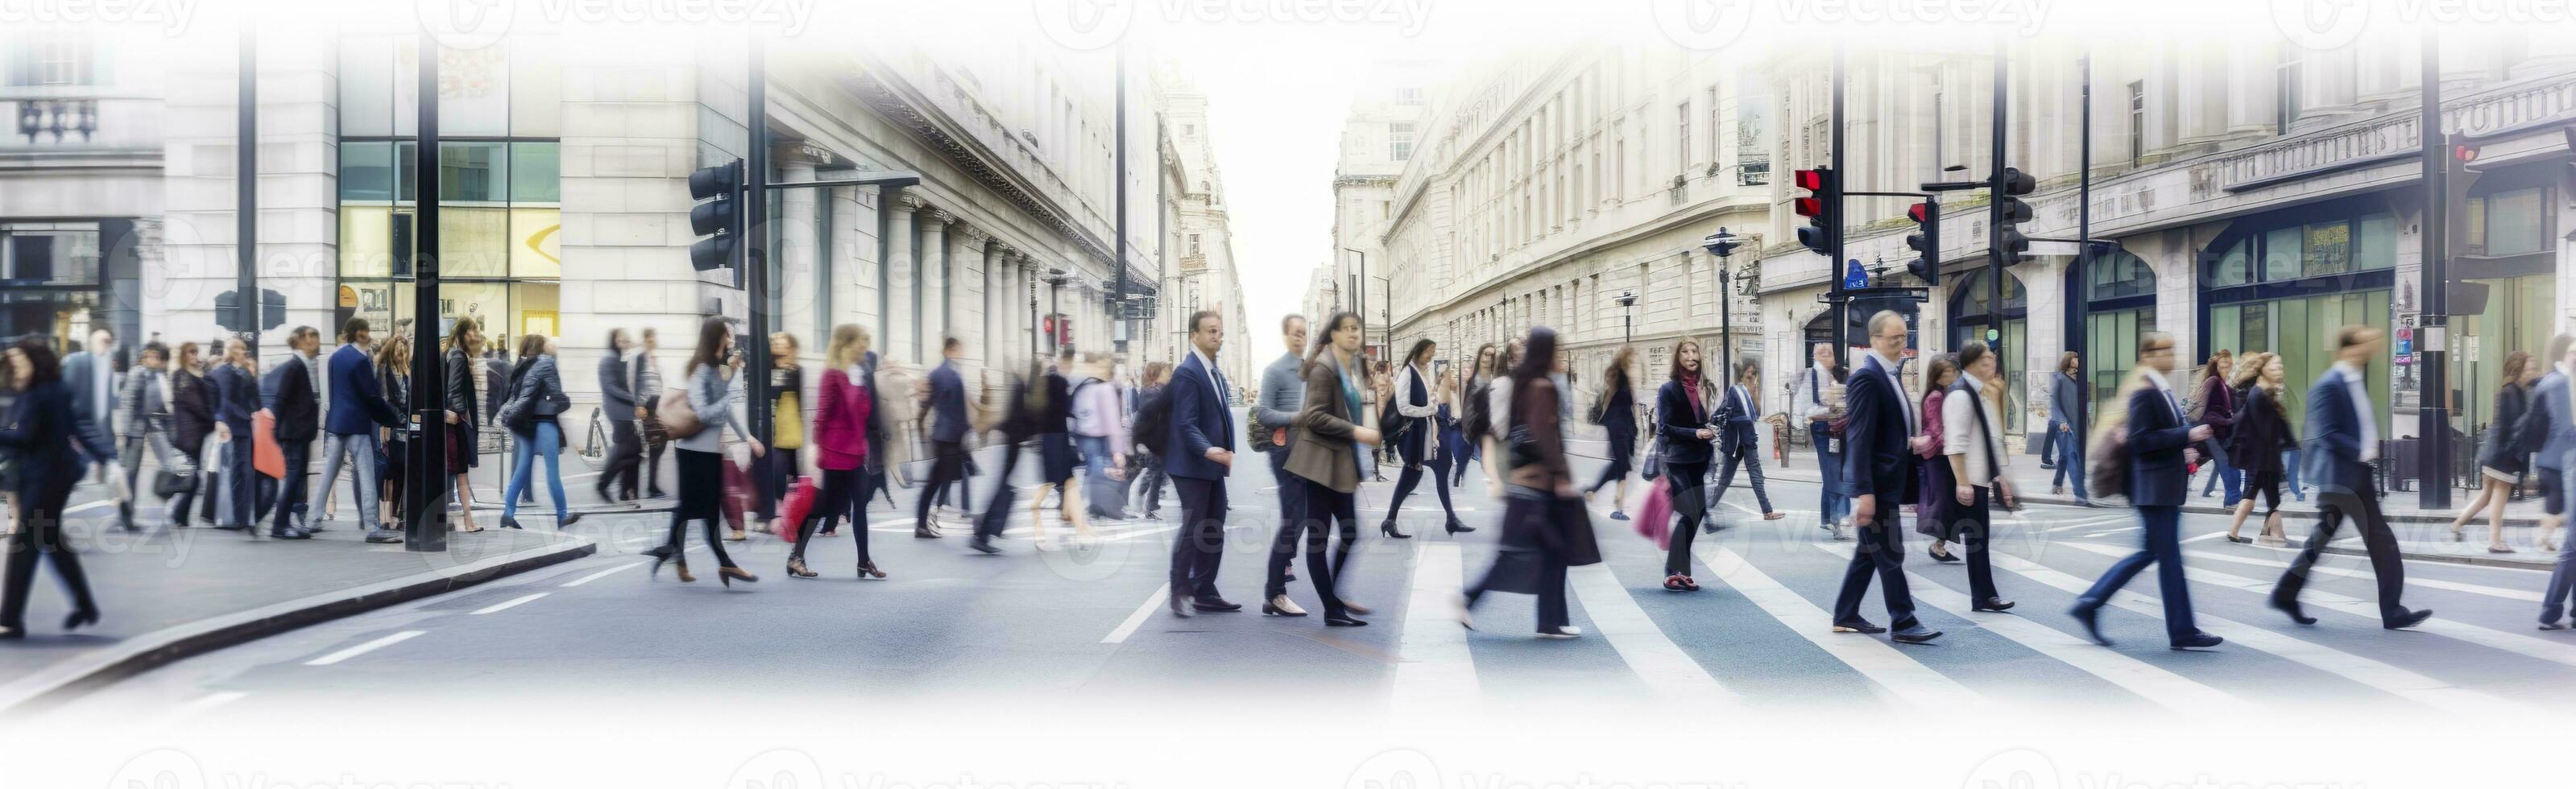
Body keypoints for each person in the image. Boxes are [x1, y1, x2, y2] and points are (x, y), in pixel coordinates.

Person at [2268, 325, 2429, 631]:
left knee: (2323, 539)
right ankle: (2392, 611)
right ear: (2349, 349)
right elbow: (2326, 433)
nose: (2372, 348)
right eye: (2366, 343)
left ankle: (2286, 593)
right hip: (2343, 477)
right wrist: (2361, 450)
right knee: (2382, 541)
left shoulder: (2353, 379)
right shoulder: (2331, 383)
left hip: (2354, 474)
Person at [2070, 332, 2222, 649]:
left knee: (2152, 554)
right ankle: (2182, 630)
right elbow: (2141, 440)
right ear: (2147, 357)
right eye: (2164, 350)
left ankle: (2091, 603)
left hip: (2161, 485)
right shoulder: (2145, 391)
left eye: (2172, 349)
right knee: (2169, 559)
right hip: (2153, 488)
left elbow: (2157, 436)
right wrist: (2187, 434)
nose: (2171, 356)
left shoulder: (2161, 389)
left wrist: (2184, 446)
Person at [1460, 327, 1602, 638]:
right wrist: (1563, 478)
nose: (1560, 357)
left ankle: (1549, 622)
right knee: (1521, 554)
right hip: (1536, 488)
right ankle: (1469, 599)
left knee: (1542, 553)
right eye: (1557, 351)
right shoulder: (1541, 387)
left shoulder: (1525, 385)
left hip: (1527, 484)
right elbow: (1545, 439)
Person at [1831, 312, 1940, 645]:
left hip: (1888, 479)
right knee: (1890, 552)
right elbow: (1860, 438)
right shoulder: (1868, 377)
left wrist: (1908, 442)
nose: (1902, 344)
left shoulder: (1888, 373)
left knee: (1869, 551)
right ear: (1875, 340)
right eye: (1895, 339)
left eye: (1905, 337)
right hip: (1877, 484)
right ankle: (1904, 621)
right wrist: (1864, 492)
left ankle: (1846, 614)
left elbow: (1883, 431)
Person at [0, 337, 114, 638]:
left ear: (36, 362)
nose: (16, 367)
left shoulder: (48, 392)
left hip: (50, 478)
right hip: (37, 476)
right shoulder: (31, 392)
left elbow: (25, 434)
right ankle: (85, 605)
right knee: (52, 543)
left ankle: (10, 620)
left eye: (20, 361)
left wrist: (108, 458)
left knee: (24, 544)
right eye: (12, 362)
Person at [645, 317, 763, 586]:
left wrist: (748, 438)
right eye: (729, 332)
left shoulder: (719, 368)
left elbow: (727, 410)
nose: (733, 336)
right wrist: (727, 384)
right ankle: (721, 563)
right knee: (697, 509)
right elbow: (705, 412)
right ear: (718, 336)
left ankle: (672, 552)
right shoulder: (703, 371)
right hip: (693, 451)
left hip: (708, 452)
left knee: (699, 510)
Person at [1281, 312, 1380, 626]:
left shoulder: (1354, 366)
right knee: (1319, 538)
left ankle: (1334, 599)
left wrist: (1373, 410)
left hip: (1341, 462)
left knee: (1350, 532)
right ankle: (1332, 608)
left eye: (1357, 329)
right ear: (1333, 334)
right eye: (1347, 329)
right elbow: (1314, 416)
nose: (1354, 334)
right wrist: (1356, 432)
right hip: (1319, 463)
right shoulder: (1323, 367)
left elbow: (1363, 407)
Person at [788, 324, 881, 579]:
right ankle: (796, 555)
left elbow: (865, 414)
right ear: (845, 345)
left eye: (866, 344)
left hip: (854, 451)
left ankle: (864, 561)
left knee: (860, 506)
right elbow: (821, 415)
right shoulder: (832, 374)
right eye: (860, 344)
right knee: (823, 508)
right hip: (834, 451)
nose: (864, 349)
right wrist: (817, 450)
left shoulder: (858, 373)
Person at [1166, 311, 1240, 618]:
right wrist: (1211, 451)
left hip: (1211, 466)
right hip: (1191, 465)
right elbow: (1185, 423)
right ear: (1193, 335)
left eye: (1220, 332)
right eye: (1211, 331)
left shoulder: (1212, 371)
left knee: (1213, 529)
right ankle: (1179, 590)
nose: (1217, 337)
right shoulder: (1188, 372)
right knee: (1194, 528)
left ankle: (1205, 591)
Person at [1936, 341, 2015, 613]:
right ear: (1970, 365)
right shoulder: (1961, 394)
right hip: (1969, 481)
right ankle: (1984, 597)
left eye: (1992, 360)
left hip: (1979, 478)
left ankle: (1985, 596)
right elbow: (1955, 443)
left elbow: (1988, 439)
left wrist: (1999, 476)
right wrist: (1963, 483)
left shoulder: (1977, 391)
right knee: (1977, 541)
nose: (1991, 365)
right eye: (1985, 361)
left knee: (1979, 541)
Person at [315, 320, 404, 543]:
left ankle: (312, 519)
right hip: (357, 425)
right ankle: (372, 525)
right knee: (366, 474)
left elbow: (333, 392)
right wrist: (391, 418)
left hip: (337, 423)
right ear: (361, 333)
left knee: (328, 475)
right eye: (367, 331)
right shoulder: (361, 359)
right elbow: (372, 396)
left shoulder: (336, 357)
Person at [1654, 339, 1721, 593]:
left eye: (1695, 351)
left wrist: (1711, 429)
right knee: (1690, 512)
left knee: (1698, 513)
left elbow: (1704, 420)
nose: (1692, 356)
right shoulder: (1669, 389)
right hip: (1678, 459)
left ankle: (1682, 571)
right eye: (1686, 351)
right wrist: (1696, 434)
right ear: (1677, 357)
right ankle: (1673, 571)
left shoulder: (1704, 388)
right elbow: (1665, 427)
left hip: (1699, 458)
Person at [2451, 350, 2536, 552]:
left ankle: (2457, 524)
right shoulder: (2512, 393)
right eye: (2530, 367)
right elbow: (2510, 429)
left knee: (2486, 496)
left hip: (2493, 454)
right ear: (2519, 369)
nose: (2533, 370)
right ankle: (2494, 541)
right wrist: (2511, 456)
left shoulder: (2513, 391)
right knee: (2498, 499)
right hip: (2502, 457)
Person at [1256, 314, 1311, 616]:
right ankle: (1274, 593)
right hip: (1285, 452)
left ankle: (1285, 561)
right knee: (1295, 517)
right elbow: (1263, 412)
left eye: (1304, 333)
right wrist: (1294, 418)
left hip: (1308, 451)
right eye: (1295, 334)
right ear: (1285, 336)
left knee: (1302, 516)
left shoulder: (1309, 370)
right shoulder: (1275, 371)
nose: (1300, 338)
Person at [1383, 338, 1464, 538]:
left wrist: (1433, 397)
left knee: (1419, 473)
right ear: (1418, 352)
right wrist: (1428, 410)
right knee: (1421, 472)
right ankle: (1450, 519)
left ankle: (1391, 520)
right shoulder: (1407, 373)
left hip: (1422, 434)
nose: (1431, 356)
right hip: (1412, 435)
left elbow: (1423, 401)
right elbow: (1403, 407)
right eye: (1429, 352)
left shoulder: (1418, 372)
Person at [500, 335, 580, 530]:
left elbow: (515, 395)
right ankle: (562, 516)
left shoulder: (520, 365)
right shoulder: (547, 364)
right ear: (541, 346)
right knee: (552, 471)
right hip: (544, 422)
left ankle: (508, 514)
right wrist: (565, 402)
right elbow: (557, 394)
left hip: (525, 424)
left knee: (522, 469)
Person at [2224, 353, 2295, 546]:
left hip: (2265, 459)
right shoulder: (2257, 395)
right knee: (2270, 501)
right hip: (2263, 459)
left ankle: (2243, 532)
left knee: (2257, 498)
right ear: (2262, 370)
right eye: (2274, 367)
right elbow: (2263, 432)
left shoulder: (2265, 394)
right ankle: (2274, 535)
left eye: (2281, 367)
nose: (2279, 370)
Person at [112, 341, 179, 531]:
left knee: (150, 470)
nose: (155, 360)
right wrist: (127, 434)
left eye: (157, 357)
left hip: (150, 428)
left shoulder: (157, 376)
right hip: (135, 432)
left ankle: (131, 514)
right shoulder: (137, 374)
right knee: (130, 474)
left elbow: (162, 405)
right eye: (151, 356)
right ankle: (126, 516)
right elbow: (129, 404)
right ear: (143, 358)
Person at [2520, 335, 2576, 556]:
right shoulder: (2561, 384)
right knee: (2558, 506)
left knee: (2554, 505)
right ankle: (2545, 539)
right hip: (2560, 459)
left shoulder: (2549, 381)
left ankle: (2544, 538)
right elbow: (2566, 427)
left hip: (2549, 457)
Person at [1712, 357, 1786, 523]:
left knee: (1753, 475)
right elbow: (1722, 415)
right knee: (1727, 478)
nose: (1754, 379)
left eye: (1755, 374)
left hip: (1746, 441)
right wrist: (1743, 420)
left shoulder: (1753, 392)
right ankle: (1706, 507)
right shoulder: (1735, 391)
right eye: (1750, 375)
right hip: (1737, 442)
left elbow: (1755, 416)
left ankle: (1767, 511)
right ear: (1742, 375)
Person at [1028, 347, 1091, 539]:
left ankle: (1067, 512)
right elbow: (1066, 408)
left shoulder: (1039, 383)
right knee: (1063, 476)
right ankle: (1065, 513)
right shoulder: (1059, 382)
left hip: (1047, 436)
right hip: (1059, 434)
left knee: (1060, 476)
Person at [917, 337, 970, 539]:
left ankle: (925, 521)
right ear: (950, 350)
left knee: (938, 479)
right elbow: (958, 409)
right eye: (958, 350)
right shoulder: (952, 375)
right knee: (937, 480)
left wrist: (921, 424)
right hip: (950, 436)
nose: (961, 353)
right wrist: (966, 432)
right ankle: (925, 521)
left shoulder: (937, 373)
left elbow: (927, 403)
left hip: (942, 434)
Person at [1793, 341, 1849, 532]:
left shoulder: (1832, 374)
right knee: (1835, 472)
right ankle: (1838, 518)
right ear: (1814, 356)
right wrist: (1833, 410)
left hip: (1833, 427)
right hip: (1824, 428)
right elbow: (1806, 407)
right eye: (1821, 352)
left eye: (1830, 352)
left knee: (1832, 473)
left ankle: (1828, 517)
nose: (1826, 355)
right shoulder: (1814, 374)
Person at [1071, 352, 1129, 525]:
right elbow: (1112, 420)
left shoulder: (1083, 385)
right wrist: (1119, 450)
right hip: (1098, 436)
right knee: (1097, 470)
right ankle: (1092, 508)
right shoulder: (1104, 388)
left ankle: (1087, 507)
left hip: (1084, 435)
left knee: (1093, 470)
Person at [1581, 347, 1638, 522]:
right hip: (1618, 427)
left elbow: (1629, 405)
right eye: (1632, 359)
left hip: (1624, 426)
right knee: (1621, 465)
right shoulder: (1616, 374)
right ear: (1625, 358)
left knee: (1622, 466)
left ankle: (1599, 494)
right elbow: (1609, 396)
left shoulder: (1625, 377)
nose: (1634, 363)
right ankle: (1616, 504)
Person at [443, 317, 488, 533]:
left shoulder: (451, 354)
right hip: (456, 423)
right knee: (460, 471)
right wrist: (462, 415)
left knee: (457, 472)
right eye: (473, 332)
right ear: (463, 334)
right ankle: (467, 521)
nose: (476, 336)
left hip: (452, 421)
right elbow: (454, 389)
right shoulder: (459, 356)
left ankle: (462, 520)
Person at [1915, 355, 1961, 561]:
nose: (1951, 374)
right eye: (1946, 372)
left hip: (1942, 455)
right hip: (1939, 457)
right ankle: (1938, 544)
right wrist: (1954, 448)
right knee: (1944, 503)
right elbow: (1936, 428)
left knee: (1947, 503)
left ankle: (1940, 544)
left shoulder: (1944, 393)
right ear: (1937, 376)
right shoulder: (1936, 396)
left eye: (1952, 370)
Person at [757, 333, 805, 531]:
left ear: (791, 347)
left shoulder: (796, 371)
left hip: (789, 422)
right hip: (771, 424)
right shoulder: (767, 367)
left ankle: (788, 511)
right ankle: (779, 509)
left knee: (790, 470)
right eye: (775, 342)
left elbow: (798, 397)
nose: (778, 346)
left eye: (782, 343)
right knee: (778, 468)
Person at [60, 328, 118, 489]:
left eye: (109, 341)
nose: (106, 346)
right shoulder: (76, 363)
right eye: (103, 341)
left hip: (95, 428)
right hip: (76, 428)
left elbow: (105, 407)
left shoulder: (107, 366)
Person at [168, 342, 213, 528]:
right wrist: (213, 421)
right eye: (191, 353)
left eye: (196, 352)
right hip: (189, 434)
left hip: (195, 432)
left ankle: (181, 516)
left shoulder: (190, 375)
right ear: (184, 356)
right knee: (192, 477)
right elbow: (196, 405)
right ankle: (179, 514)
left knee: (192, 476)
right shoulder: (183, 376)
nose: (195, 356)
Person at [2192, 349, 2242, 507]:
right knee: (2227, 465)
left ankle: (2233, 498)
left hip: (2221, 433)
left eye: (2229, 365)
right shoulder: (2212, 382)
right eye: (2223, 365)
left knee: (2227, 465)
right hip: (2211, 431)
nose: (2227, 369)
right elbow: (2203, 410)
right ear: (2216, 366)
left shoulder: (2226, 386)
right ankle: (2233, 499)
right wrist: (2229, 421)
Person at [596, 328, 640, 502]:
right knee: (624, 451)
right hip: (618, 411)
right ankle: (603, 484)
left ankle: (625, 491)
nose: (624, 342)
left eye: (626, 339)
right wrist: (634, 399)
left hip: (625, 411)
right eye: (621, 340)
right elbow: (611, 387)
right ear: (613, 341)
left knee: (633, 452)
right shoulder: (608, 359)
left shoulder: (618, 358)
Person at [374, 335, 412, 531]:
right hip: (391, 425)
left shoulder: (407, 371)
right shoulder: (384, 370)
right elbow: (385, 399)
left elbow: (411, 399)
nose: (401, 354)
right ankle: (385, 515)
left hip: (404, 427)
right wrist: (389, 421)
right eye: (398, 350)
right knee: (388, 470)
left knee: (401, 470)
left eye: (404, 350)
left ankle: (396, 514)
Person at [1129, 361, 1173, 518]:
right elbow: (1146, 419)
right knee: (1151, 472)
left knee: (1157, 473)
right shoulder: (1151, 393)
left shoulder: (1157, 391)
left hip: (1158, 440)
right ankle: (1139, 501)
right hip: (1152, 440)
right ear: (1157, 375)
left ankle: (1150, 506)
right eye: (1166, 373)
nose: (1169, 376)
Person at [633, 327, 669, 499]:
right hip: (647, 405)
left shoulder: (655, 358)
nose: (653, 341)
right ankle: (648, 487)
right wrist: (639, 405)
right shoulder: (641, 358)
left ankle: (651, 486)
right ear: (645, 340)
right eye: (650, 339)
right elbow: (635, 382)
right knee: (653, 445)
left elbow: (661, 382)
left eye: (654, 338)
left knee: (659, 445)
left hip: (658, 404)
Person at [1454, 343, 1496, 489]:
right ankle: (1460, 476)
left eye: (1491, 355)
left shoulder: (1492, 376)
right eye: (1486, 354)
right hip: (1473, 422)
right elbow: (1467, 402)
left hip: (1487, 422)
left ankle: (1465, 477)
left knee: (1481, 454)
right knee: (1469, 452)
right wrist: (1466, 422)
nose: (1488, 358)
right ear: (1480, 355)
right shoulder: (1474, 377)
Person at [2048, 353, 2088, 501]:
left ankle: (2057, 483)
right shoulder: (2059, 378)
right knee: (2071, 456)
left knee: (2065, 456)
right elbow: (2054, 402)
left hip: (2077, 425)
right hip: (2063, 426)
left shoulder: (2079, 380)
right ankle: (2080, 494)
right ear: (2069, 361)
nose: (2078, 360)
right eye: (2076, 358)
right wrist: (2061, 421)